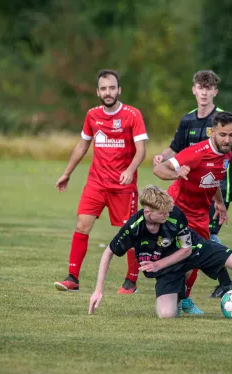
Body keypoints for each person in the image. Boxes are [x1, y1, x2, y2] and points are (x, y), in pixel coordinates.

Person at [88, 185, 232, 318]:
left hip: (193, 250)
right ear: (148, 212)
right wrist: (98, 290)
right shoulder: (134, 227)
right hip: (170, 266)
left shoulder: (174, 215)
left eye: (169, 211)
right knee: (166, 316)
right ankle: (179, 297)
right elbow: (109, 252)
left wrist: (158, 264)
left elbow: (187, 250)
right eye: (163, 213)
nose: (168, 215)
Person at [152, 70, 232, 300]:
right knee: (197, 240)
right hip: (187, 189)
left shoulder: (223, 120)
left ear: (215, 91)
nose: (204, 92)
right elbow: (176, 148)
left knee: (203, 239)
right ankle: (218, 282)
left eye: (209, 88)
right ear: (193, 90)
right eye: (200, 87)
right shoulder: (187, 119)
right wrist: (162, 157)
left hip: (215, 188)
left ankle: (222, 282)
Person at [54, 69, 148, 294]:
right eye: (104, 88)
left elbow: (141, 150)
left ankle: (131, 280)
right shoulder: (92, 115)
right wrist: (67, 173)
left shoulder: (132, 115)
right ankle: (72, 278)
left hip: (123, 187)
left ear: (119, 90)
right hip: (96, 183)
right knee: (81, 225)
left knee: (130, 232)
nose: (108, 92)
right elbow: (82, 145)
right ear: (98, 91)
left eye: (112, 88)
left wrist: (130, 169)